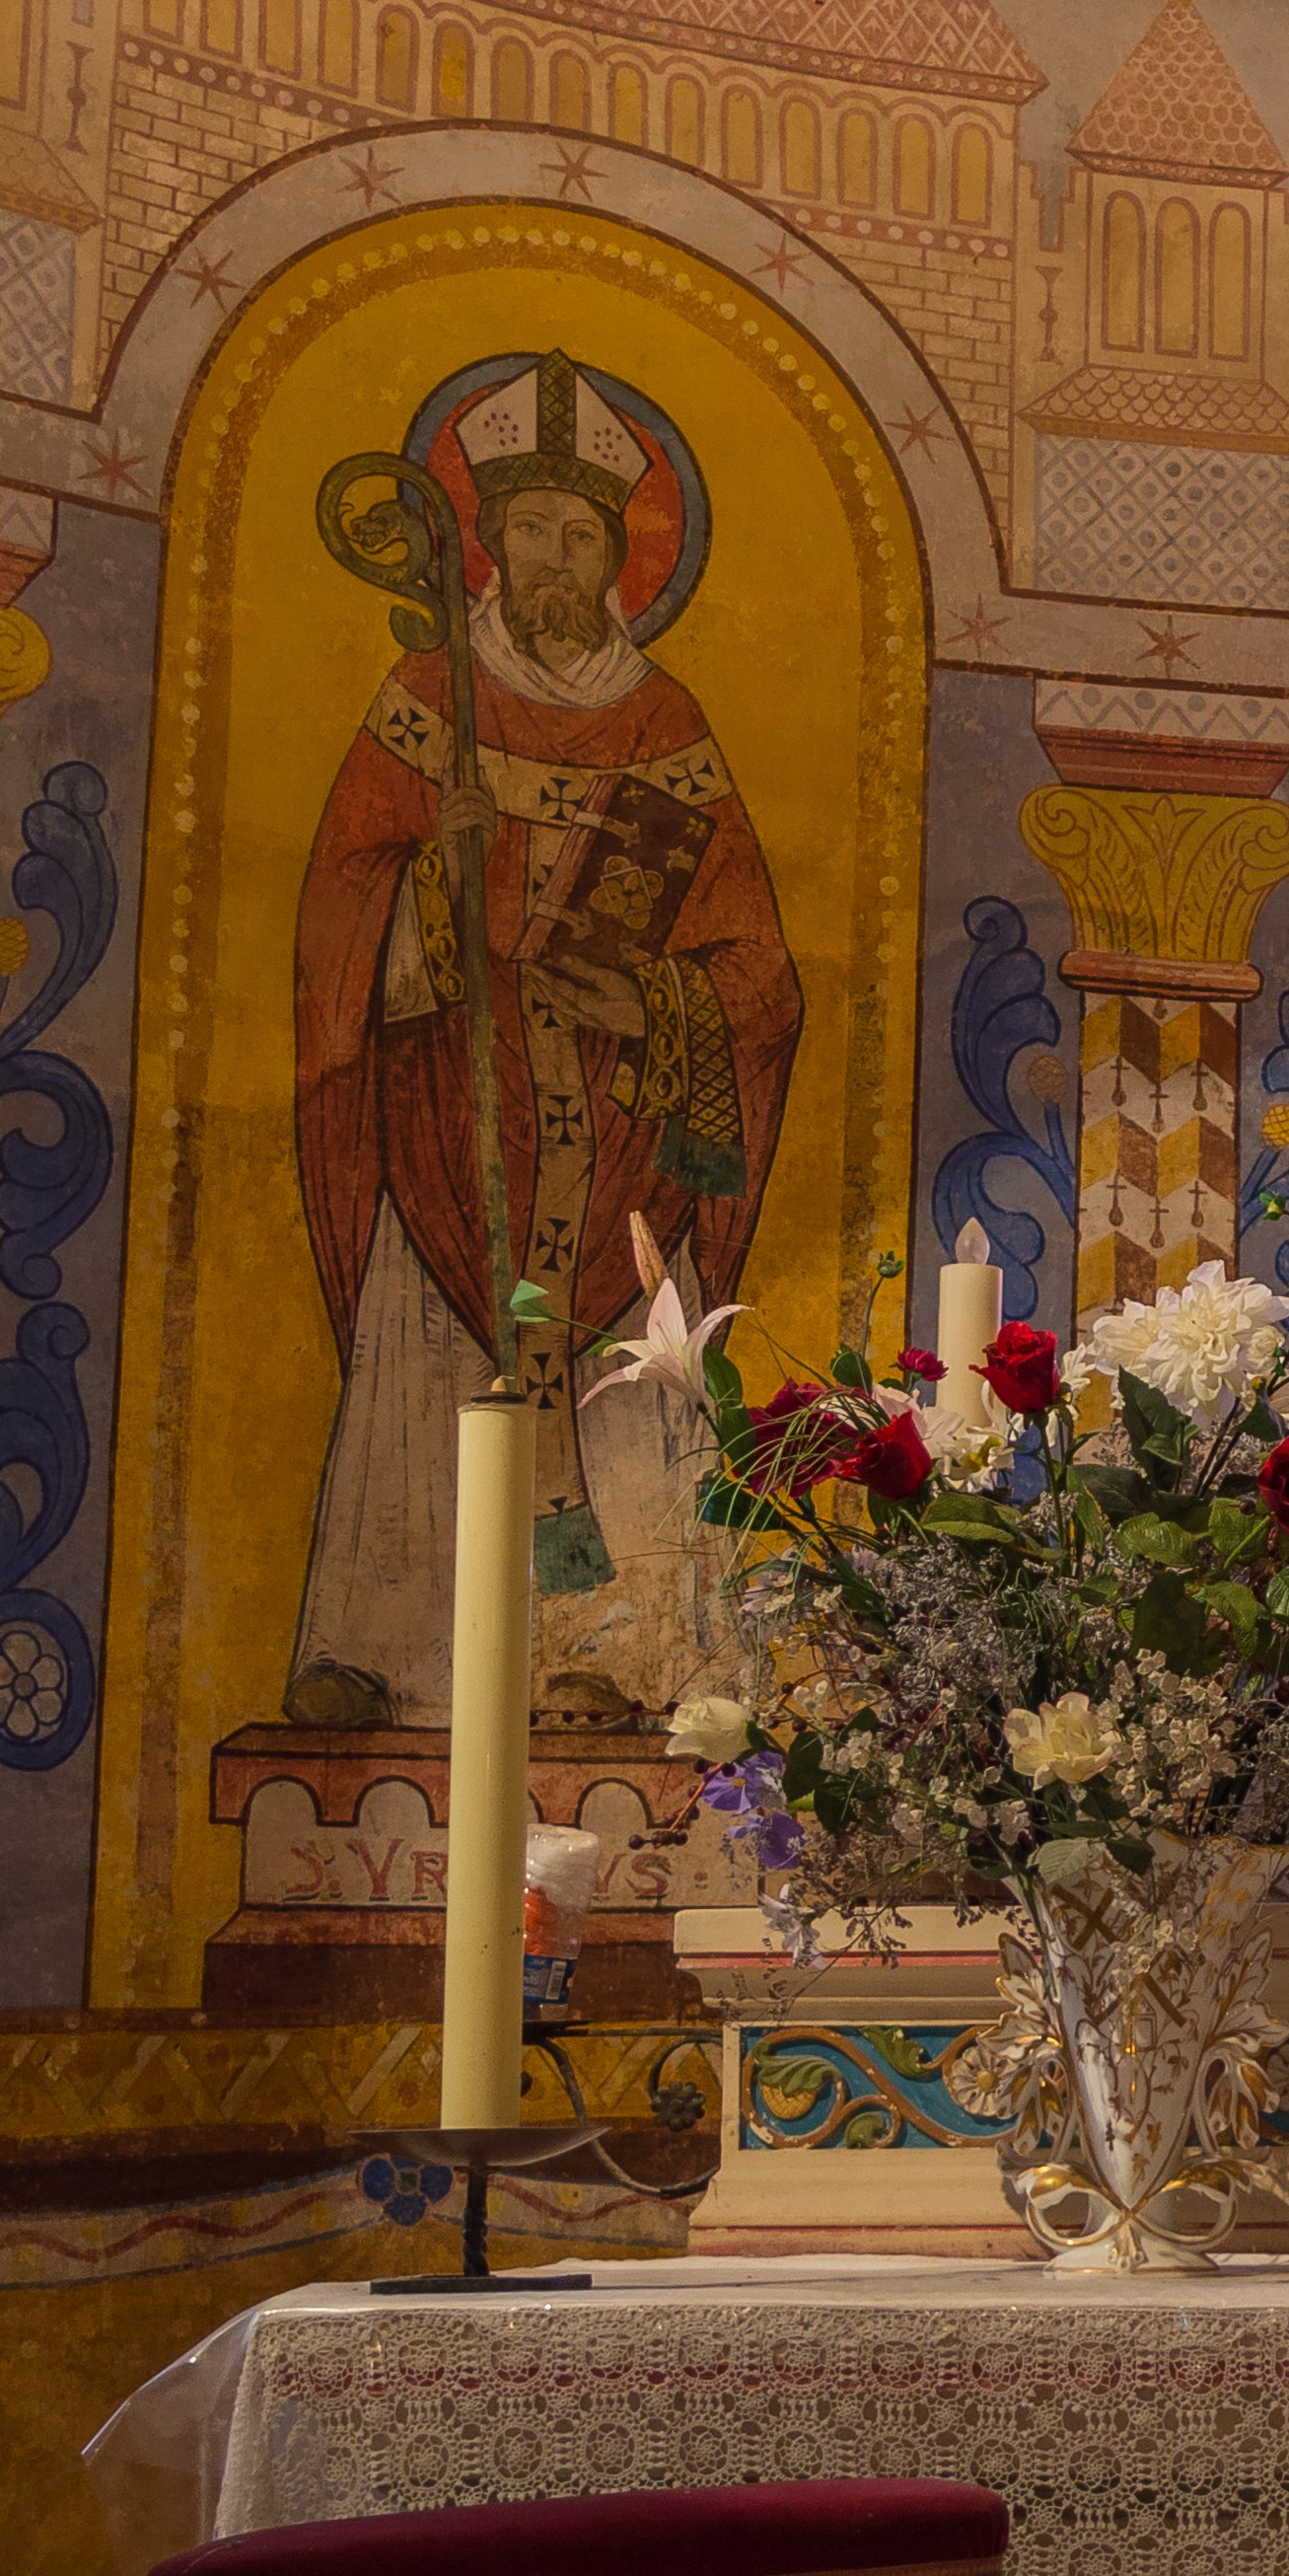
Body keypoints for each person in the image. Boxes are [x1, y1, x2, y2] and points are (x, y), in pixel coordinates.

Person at [282, 349, 801, 1726]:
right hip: (452, 1120)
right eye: (531, 530)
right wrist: (424, 889)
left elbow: (761, 970)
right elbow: (335, 915)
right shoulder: (427, 693)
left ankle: (628, 1659)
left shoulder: (666, 723)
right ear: (488, 544)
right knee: (429, 1358)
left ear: (623, 559)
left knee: (623, 1385)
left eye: (582, 535)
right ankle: (383, 1646)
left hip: (620, 1134)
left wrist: (661, 1003)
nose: (556, 559)